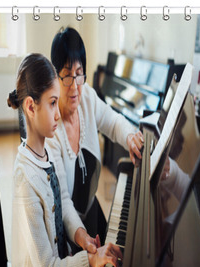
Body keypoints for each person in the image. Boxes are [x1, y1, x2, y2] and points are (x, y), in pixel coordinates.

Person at [8, 53, 122, 267]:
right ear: (30, 106)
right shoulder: (26, 182)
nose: (58, 114)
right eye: (52, 103)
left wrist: (83, 240)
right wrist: (90, 261)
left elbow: (61, 207)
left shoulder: (43, 156)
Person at [48, 27, 144, 245]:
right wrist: (84, 241)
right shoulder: (51, 129)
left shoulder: (87, 97)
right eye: (66, 76)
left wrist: (130, 136)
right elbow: (62, 201)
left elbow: (113, 121)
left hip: (90, 208)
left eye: (79, 74)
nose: (74, 87)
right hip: (65, 230)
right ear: (55, 76)